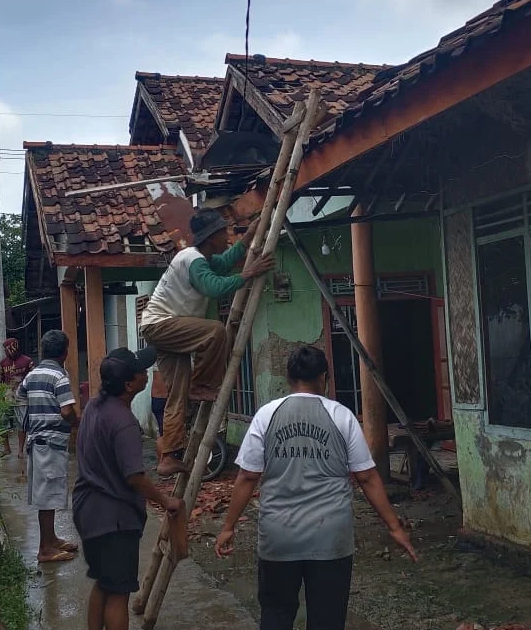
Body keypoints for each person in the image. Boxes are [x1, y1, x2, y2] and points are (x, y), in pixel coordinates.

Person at [215, 345, 418, 630]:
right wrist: (394, 527)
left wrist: (228, 527)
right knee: (327, 619)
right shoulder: (342, 416)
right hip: (330, 538)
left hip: (278, 536)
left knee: (276, 614)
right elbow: (367, 478)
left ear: (289, 376)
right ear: (325, 377)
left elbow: (248, 477)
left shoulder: (266, 415)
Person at [140, 208, 274, 476]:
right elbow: (214, 287)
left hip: (160, 327)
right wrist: (248, 274)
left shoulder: (199, 258)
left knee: (176, 395)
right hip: (162, 324)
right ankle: (201, 385)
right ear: (211, 236)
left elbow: (223, 264)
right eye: (224, 232)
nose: (227, 236)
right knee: (215, 332)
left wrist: (246, 239)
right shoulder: (192, 259)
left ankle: (169, 455)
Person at [73, 348, 183, 630]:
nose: (146, 372)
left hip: (88, 513)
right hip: (114, 520)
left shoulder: (93, 409)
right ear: (129, 384)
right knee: (119, 593)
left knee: (104, 583)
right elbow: (134, 476)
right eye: (140, 370)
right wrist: (164, 500)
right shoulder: (123, 423)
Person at [16, 329, 79, 563]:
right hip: (50, 442)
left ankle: (51, 539)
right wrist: (77, 423)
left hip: (37, 441)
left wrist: (32, 419)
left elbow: (19, 398)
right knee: (48, 495)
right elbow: (66, 410)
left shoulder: (32, 375)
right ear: (65, 353)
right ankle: (45, 549)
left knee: (47, 491)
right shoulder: (60, 376)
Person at [0, 338, 34, 458]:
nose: (5, 352)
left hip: (22, 397)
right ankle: (7, 449)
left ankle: (20, 450)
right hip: (7, 397)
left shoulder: (27, 361)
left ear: (13, 347)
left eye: (7, 349)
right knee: (3, 423)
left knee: (21, 424)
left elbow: (33, 378)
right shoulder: (3, 363)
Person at [150, 367, 168, 465]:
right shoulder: (171, 361)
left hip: (156, 399)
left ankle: (161, 463)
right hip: (165, 399)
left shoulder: (156, 365)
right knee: (166, 434)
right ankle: (164, 463)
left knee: (161, 434)